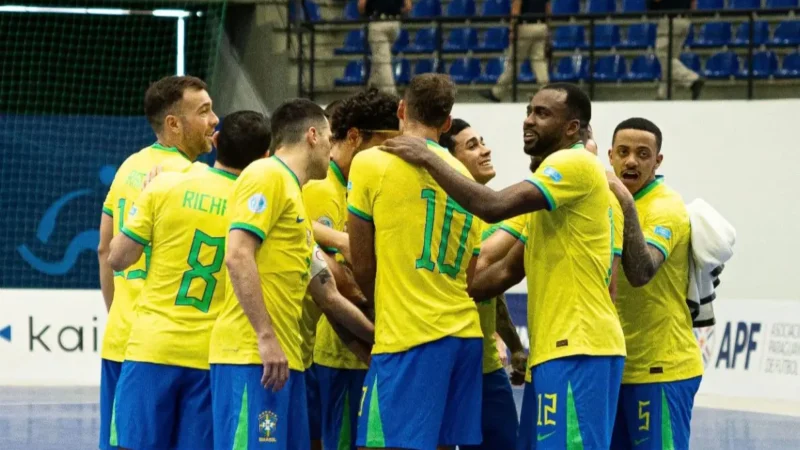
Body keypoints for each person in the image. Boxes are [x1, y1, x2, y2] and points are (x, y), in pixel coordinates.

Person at [381, 82, 626, 449]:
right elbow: (505, 272)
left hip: (579, 346)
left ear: (572, 128)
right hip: (555, 350)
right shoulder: (549, 196)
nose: (529, 120)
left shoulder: (573, 162)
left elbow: (492, 206)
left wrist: (428, 157)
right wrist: (432, 292)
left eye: (542, 114)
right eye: (529, 111)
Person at [105, 111, 269, 449]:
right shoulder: (253, 208)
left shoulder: (166, 184)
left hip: (152, 348)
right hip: (210, 358)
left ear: (217, 141)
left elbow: (117, 257)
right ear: (264, 157)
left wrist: (144, 203)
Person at [348, 73, 484, 450]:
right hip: (464, 336)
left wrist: (380, 304)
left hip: (410, 335)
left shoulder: (371, 162)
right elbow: (471, 274)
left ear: (401, 109)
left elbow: (362, 263)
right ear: (446, 123)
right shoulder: (464, 178)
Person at [96, 75, 218, 450]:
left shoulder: (129, 166)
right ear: (173, 124)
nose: (215, 120)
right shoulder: (196, 178)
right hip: (173, 346)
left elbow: (104, 250)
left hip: (121, 340)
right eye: (204, 111)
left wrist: (119, 314)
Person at [208, 99, 331, 450]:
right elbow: (237, 255)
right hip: (253, 357)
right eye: (330, 137)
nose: (332, 148)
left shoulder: (292, 190)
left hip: (284, 359)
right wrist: (265, 336)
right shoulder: (266, 175)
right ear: (312, 135)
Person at [305, 88, 400, 450]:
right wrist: (369, 344)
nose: (391, 154)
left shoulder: (360, 184)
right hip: (341, 354)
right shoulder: (320, 187)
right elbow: (330, 279)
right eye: (385, 144)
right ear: (356, 137)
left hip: (362, 347)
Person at [606, 118, 702, 450]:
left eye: (643, 154)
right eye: (623, 152)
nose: (631, 161)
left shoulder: (666, 207)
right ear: (610, 156)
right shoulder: (604, 203)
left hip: (661, 369)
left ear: (657, 161)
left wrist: (624, 200)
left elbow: (642, 271)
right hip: (615, 369)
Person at [438, 118, 526, 450]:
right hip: (446, 362)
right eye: (472, 146)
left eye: (483, 142)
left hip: (488, 367)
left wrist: (514, 346)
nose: (486, 150)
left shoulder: (490, 215)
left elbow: (493, 292)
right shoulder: (443, 216)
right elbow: (481, 273)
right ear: (449, 160)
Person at [480, 0, 551, 102]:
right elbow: (548, 9)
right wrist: (547, 28)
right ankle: (546, 92)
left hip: (525, 26)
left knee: (514, 61)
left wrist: (512, 29)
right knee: (539, 61)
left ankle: (497, 93)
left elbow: (516, 8)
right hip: (541, 26)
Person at [650, 0, 704, 100]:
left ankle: (692, 79)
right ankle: (664, 95)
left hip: (670, 19)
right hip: (684, 19)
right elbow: (693, 3)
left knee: (663, 54)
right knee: (671, 58)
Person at [359, 0, 411, 95]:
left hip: (378, 22)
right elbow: (408, 6)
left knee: (383, 61)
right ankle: (370, 91)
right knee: (378, 60)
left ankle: (391, 94)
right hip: (394, 24)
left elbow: (362, 6)